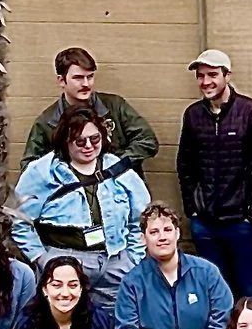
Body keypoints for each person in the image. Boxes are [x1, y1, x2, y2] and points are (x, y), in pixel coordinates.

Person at [14, 106, 151, 298]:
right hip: (64, 262)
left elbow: (141, 219)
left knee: (114, 324)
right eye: (79, 141)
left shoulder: (120, 169)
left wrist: (132, 259)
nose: (88, 146)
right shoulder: (42, 172)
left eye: (95, 139)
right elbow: (19, 221)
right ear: (65, 141)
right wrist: (42, 258)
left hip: (115, 262)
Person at [178, 49, 252, 299]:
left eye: (212, 75)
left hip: (242, 223)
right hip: (205, 223)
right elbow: (185, 165)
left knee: (251, 293)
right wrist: (193, 209)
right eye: (200, 76)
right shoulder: (193, 115)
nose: (206, 82)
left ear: (227, 76)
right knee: (215, 294)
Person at [112, 204, 234, 329]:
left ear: (177, 233)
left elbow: (222, 318)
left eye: (167, 230)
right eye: (154, 232)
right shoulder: (132, 283)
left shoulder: (206, 272)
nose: (162, 237)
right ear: (143, 238)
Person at [21, 44, 160, 170]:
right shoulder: (47, 121)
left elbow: (147, 141)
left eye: (90, 76)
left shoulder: (115, 106)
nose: (86, 84)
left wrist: (115, 165)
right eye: (78, 78)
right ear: (61, 81)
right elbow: (29, 165)